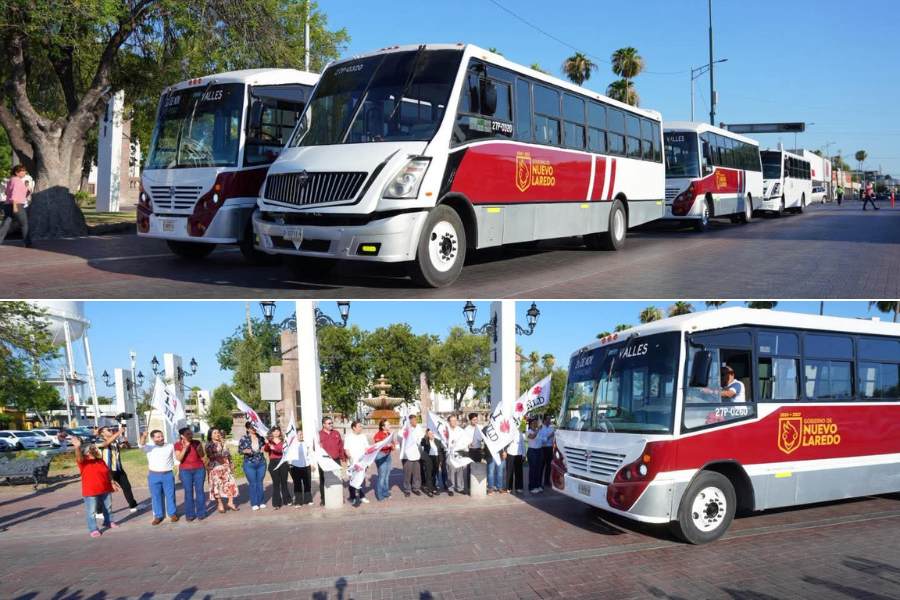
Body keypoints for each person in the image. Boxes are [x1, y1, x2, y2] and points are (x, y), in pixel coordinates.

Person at [73, 435, 120, 537]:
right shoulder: (83, 462)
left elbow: (108, 472)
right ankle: (93, 529)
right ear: (86, 452)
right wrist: (77, 447)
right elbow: (78, 457)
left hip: (105, 488)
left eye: (95, 448)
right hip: (91, 491)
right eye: (92, 449)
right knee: (91, 511)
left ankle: (108, 521)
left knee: (108, 507)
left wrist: (112, 483)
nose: (95, 450)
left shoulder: (100, 460)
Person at [96, 424, 139, 512]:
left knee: (127, 487)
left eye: (112, 429)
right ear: (102, 433)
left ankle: (133, 506)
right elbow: (105, 444)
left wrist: (126, 442)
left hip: (118, 468)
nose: (111, 431)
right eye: (108, 430)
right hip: (106, 470)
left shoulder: (115, 441)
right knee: (104, 491)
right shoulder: (99, 440)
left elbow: (127, 447)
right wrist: (119, 432)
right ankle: (99, 511)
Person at [140, 429, 179, 524]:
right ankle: (158, 516)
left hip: (168, 474)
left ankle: (172, 514)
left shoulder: (170, 446)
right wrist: (144, 436)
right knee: (155, 496)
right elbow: (141, 445)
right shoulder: (149, 447)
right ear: (153, 438)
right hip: (154, 475)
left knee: (170, 495)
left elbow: (175, 460)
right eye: (158, 437)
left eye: (162, 436)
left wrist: (178, 471)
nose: (161, 438)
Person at [174, 426, 206, 521]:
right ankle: (190, 514)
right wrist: (185, 447)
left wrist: (199, 449)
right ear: (182, 436)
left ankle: (201, 513)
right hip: (185, 471)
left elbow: (202, 455)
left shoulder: (196, 442)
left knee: (200, 491)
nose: (190, 435)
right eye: (188, 434)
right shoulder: (177, 444)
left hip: (199, 469)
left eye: (191, 433)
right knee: (188, 492)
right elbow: (179, 458)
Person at [204, 427, 239, 513]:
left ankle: (230, 502)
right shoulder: (209, 444)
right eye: (215, 433)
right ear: (210, 435)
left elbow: (228, 454)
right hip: (215, 468)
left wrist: (231, 462)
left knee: (230, 484)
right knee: (217, 486)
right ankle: (220, 504)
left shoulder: (223, 442)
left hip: (226, 467)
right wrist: (221, 448)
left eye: (218, 432)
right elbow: (211, 456)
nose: (217, 434)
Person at [0, 164, 32, 247]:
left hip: (7, 205)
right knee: (24, 224)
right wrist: (15, 206)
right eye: (22, 171)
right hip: (16, 204)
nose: (24, 172)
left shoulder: (11, 180)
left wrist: (26, 188)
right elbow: (14, 194)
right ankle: (27, 243)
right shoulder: (17, 181)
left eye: (25, 171)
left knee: (6, 224)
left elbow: (7, 193)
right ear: (17, 172)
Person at [318, 416, 346, 506]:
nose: (331, 424)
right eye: (329, 423)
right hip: (324, 461)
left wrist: (343, 458)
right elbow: (314, 448)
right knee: (323, 480)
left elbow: (341, 446)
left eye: (332, 423)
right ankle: (323, 499)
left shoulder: (336, 433)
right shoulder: (318, 435)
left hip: (336, 460)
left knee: (337, 479)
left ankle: (337, 497)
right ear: (323, 424)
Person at [238, 423, 268, 510]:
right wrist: (245, 451)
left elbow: (265, 447)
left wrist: (264, 447)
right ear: (247, 429)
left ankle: (261, 501)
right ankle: (254, 503)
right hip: (249, 464)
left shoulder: (260, 437)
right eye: (251, 428)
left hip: (261, 463)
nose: (253, 429)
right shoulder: (244, 438)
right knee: (253, 483)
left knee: (260, 482)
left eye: (254, 427)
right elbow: (239, 450)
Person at [263, 427, 292, 510]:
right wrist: (267, 444)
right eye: (274, 431)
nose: (276, 432)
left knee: (284, 482)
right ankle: (276, 503)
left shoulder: (284, 441)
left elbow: (283, 451)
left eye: (278, 431)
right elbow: (266, 449)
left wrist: (274, 448)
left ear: (280, 432)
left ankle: (287, 500)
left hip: (283, 462)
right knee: (276, 484)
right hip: (273, 463)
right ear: (272, 432)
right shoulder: (270, 441)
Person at [344, 420, 370, 506]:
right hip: (353, 463)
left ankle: (361, 496)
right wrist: (351, 460)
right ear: (354, 428)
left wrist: (366, 460)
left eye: (361, 426)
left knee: (361, 479)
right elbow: (346, 450)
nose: (361, 428)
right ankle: (352, 497)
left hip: (362, 462)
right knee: (353, 480)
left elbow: (367, 448)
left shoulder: (363, 436)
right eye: (359, 426)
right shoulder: (348, 437)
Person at [399, 414, 424, 497]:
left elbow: (421, 438)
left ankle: (416, 488)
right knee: (407, 473)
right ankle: (407, 489)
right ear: (409, 421)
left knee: (417, 473)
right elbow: (400, 438)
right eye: (413, 420)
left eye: (415, 420)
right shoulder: (405, 429)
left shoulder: (418, 428)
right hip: (407, 455)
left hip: (416, 454)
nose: (415, 421)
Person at [372, 419, 395, 501]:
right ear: (383, 427)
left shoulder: (389, 434)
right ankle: (380, 495)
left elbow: (392, 443)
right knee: (382, 476)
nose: (390, 426)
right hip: (380, 455)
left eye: (389, 424)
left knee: (387, 475)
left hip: (388, 455)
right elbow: (378, 446)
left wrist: (393, 446)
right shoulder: (378, 435)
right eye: (388, 425)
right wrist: (388, 445)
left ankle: (385, 492)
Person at [445, 414, 468, 496]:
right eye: (452, 421)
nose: (454, 422)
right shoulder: (446, 430)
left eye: (455, 420)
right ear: (449, 422)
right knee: (450, 471)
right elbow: (443, 441)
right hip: (450, 453)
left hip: (459, 453)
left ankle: (460, 488)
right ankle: (450, 488)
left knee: (459, 471)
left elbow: (465, 441)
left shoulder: (460, 430)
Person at [289, 431, 313, 507]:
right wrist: (290, 464)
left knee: (307, 483)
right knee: (297, 484)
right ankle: (298, 501)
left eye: (302, 434)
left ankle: (308, 499)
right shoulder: (292, 444)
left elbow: (309, 454)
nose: (301, 436)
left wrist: (311, 463)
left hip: (306, 466)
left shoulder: (306, 443)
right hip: (295, 466)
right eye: (299, 434)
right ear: (295, 435)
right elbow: (289, 455)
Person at [420, 429, 442, 496]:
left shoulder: (437, 441)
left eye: (432, 433)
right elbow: (422, 443)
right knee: (429, 475)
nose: (431, 435)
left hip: (436, 458)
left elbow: (440, 451)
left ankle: (434, 488)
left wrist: (440, 460)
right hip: (428, 459)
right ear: (427, 435)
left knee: (434, 475)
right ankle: (429, 490)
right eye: (429, 434)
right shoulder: (425, 440)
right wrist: (427, 437)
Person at [506, 424, 525, 494]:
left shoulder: (520, 433)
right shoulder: (508, 432)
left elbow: (522, 444)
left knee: (519, 472)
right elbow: (505, 443)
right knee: (509, 471)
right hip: (510, 453)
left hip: (519, 454)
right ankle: (509, 487)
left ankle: (519, 487)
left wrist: (524, 454)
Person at [526, 418, 543, 494]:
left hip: (539, 450)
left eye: (536, 422)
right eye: (534, 423)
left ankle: (537, 485)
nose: (536, 424)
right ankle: (532, 487)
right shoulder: (528, 431)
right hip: (532, 451)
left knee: (538, 469)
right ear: (530, 424)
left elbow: (541, 439)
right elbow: (532, 437)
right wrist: (538, 429)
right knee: (533, 470)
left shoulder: (538, 431)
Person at [539, 415, 556, 488]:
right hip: (543, 448)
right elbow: (541, 440)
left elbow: (554, 438)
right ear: (544, 420)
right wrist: (549, 436)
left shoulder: (552, 428)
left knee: (549, 466)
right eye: (548, 419)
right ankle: (539, 482)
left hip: (550, 448)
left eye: (550, 419)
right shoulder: (540, 428)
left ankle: (547, 481)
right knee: (541, 466)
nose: (549, 421)